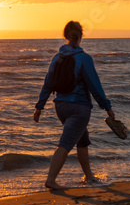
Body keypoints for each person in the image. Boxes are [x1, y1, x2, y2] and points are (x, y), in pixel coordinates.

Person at [33, 20, 114, 190]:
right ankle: (51, 179)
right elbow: (94, 85)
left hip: (60, 107)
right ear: (81, 36)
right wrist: (106, 106)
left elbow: (48, 83)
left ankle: (89, 176)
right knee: (66, 143)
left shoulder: (57, 58)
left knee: (82, 139)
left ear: (65, 36)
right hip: (79, 108)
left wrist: (39, 106)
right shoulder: (84, 58)